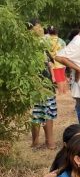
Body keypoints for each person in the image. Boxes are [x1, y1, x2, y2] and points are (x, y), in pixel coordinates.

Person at [29, 19, 58, 150]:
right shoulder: (30, 46)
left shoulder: (42, 44)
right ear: (30, 29)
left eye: (40, 26)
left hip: (47, 83)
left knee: (49, 110)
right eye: (37, 26)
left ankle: (48, 141)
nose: (40, 29)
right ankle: (38, 142)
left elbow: (49, 63)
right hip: (38, 83)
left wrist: (53, 77)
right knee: (38, 112)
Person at [48, 26, 68, 94]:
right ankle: (64, 91)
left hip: (53, 62)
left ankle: (60, 93)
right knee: (62, 77)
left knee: (58, 78)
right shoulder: (62, 41)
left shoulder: (46, 40)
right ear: (57, 32)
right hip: (61, 61)